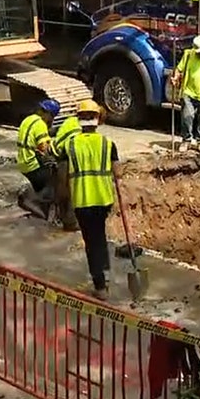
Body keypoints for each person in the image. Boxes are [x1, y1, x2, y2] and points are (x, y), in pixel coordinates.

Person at [63, 100, 120, 300]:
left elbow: (63, 174)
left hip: (83, 200)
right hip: (104, 199)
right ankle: (105, 270)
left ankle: (100, 285)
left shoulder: (70, 145)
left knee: (91, 241)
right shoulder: (108, 144)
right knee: (100, 234)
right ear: (98, 120)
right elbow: (117, 172)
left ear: (79, 120)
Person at [16, 99, 59, 220]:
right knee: (51, 184)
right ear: (48, 114)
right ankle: (34, 205)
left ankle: (38, 206)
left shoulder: (28, 119)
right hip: (32, 164)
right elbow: (44, 148)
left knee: (40, 185)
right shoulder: (40, 124)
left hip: (23, 162)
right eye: (52, 117)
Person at [50, 112, 84, 232]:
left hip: (59, 154)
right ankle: (71, 224)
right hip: (66, 156)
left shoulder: (70, 122)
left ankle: (64, 220)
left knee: (63, 190)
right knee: (71, 190)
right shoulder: (80, 127)